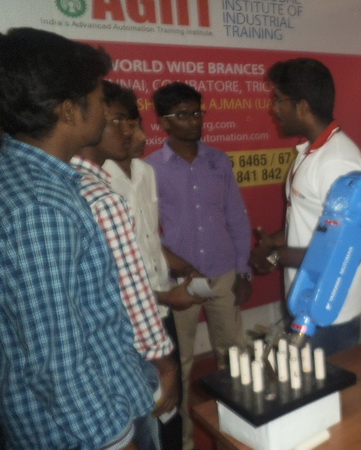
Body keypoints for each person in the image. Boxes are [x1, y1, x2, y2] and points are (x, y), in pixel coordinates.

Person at [0, 27, 151, 449]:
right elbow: (57, 360)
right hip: (85, 431)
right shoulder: (40, 208)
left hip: (104, 399)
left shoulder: (32, 180)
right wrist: (114, 440)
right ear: (69, 110)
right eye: (100, 99)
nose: (104, 111)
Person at [145, 81, 252, 450]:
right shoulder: (151, 168)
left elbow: (236, 216)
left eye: (197, 112)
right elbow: (147, 231)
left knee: (233, 357)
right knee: (183, 364)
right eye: (183, 115)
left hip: (223, 272)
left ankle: (237, 432)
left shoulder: (218, 161)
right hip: (181, 283)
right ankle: (186, 442)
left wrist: (243, 271)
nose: (194, 121)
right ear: (164, 122)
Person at [103, 85, 208, 450]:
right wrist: (164, 296)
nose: (136, 133)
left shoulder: (145, 172)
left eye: (135, 123)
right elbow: (110, 271)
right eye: (121, 123)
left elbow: (150, 241)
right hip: (129, 320)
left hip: (161, 312)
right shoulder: (96, 184)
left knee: (170, 404)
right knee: (146, 407)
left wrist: (185, 267)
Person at [249, 58, 361, 355]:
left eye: (279, 100)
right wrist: (274, 242)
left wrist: (275, 256)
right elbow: (313, 222)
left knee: (326, 384)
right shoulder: (311, 152)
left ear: (302, 106)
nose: (273, 109)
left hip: (330, 309)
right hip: (308, 299)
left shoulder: (337, 163)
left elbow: (341, 249)